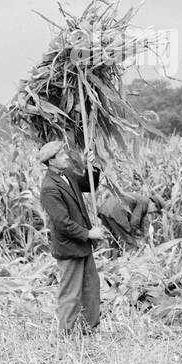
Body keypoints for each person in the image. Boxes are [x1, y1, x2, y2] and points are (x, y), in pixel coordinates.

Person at [37, 140, 105, 335]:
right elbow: (62, 223)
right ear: (51, 162)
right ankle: (65, 335)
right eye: (62, 155)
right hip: (69, 247)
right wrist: (88, 233)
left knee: (91, 288)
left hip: (82, 245)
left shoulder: (66, 174)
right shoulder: (49, 188)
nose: (67, 157)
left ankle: (89, 329)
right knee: (70, 294)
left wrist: (91, 167)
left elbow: (86, 184)